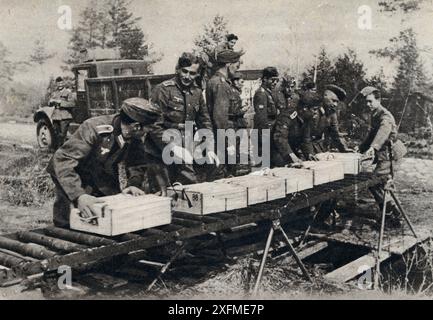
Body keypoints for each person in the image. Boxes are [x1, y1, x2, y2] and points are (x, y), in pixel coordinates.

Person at [46, 98, 168, 228]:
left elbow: (136, 163)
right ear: (136, 126)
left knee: (110, 216)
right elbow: (63, 159)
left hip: (101, 171)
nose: (147, 133)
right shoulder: (94, 128)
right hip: (69, 172)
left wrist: (133, 184)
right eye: (147, 129)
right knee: (71, 218)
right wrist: (79, 195)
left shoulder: (134, 134)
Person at [150, 52, 218, 185]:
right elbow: (154, 125)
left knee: (190, 187)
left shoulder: (197, 93)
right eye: (184, 71)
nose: (187, 76)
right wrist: (172, 146)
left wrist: (209, 147)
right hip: (161, 151)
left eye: (192, 73)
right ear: (178, 69)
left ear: (197, 74)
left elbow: (205, 122)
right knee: (163, 192)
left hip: (186, 148)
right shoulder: (163, 90)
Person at [358, 86, 407, 227]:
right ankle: (388, 214)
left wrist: (373, 148)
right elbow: (372, 134)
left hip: (390, 153)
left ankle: (393, 215)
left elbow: (382, 132)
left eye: (370, 101)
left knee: (374, 182)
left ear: (378, 100)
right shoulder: (375, 114)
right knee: (378, 184)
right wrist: (361, 148)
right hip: (384, 152)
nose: (368, 105)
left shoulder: (385, 115)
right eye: (366, 102)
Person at [206, 49, 243, 178]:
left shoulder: (218, 81)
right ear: (228, 64)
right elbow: (220, 118)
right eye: (237, 65)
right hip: (221, 139)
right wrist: (228, 144)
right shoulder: (221, 84)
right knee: (220, 176)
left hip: (220, 137)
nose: (237, 69)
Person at [302, 85, 352, 159]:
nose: (335, 105)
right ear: (325, 98)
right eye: (334, 101)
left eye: (337, 102)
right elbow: (306, 136)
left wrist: (343, 149)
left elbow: (335, 134)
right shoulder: (313, 109)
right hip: (302, 146)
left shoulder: (332, 113)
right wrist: (309, 153)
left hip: (316, 146)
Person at [272, 77, 307, 167]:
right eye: (287, 87)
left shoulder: (296, 97)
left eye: (291, 87)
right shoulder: (278, 96)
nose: (289, 89)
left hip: (291, 126)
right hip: (278, 125)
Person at [253, 67, 280, 160]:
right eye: (272, 80)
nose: (275, 83)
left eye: (277, 80)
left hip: (270, 132)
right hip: (264, 134)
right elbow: (261, 119)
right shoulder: (261, 94)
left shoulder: (269, 93)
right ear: (265, 79)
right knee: (263, 164)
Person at [49, 77, 76, 147]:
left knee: (63, 135)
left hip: (65, 116)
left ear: (64, 83)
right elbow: (49, 104)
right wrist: (51, 102)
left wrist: (61, 102)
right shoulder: (55, 93)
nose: (60, 85)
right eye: (58, 83)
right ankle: (57, 149)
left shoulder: (68, 92)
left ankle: (62, 151)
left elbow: (72, 104)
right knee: (55, 133)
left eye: (61, 83)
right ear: (56, 84)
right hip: (56, 116)